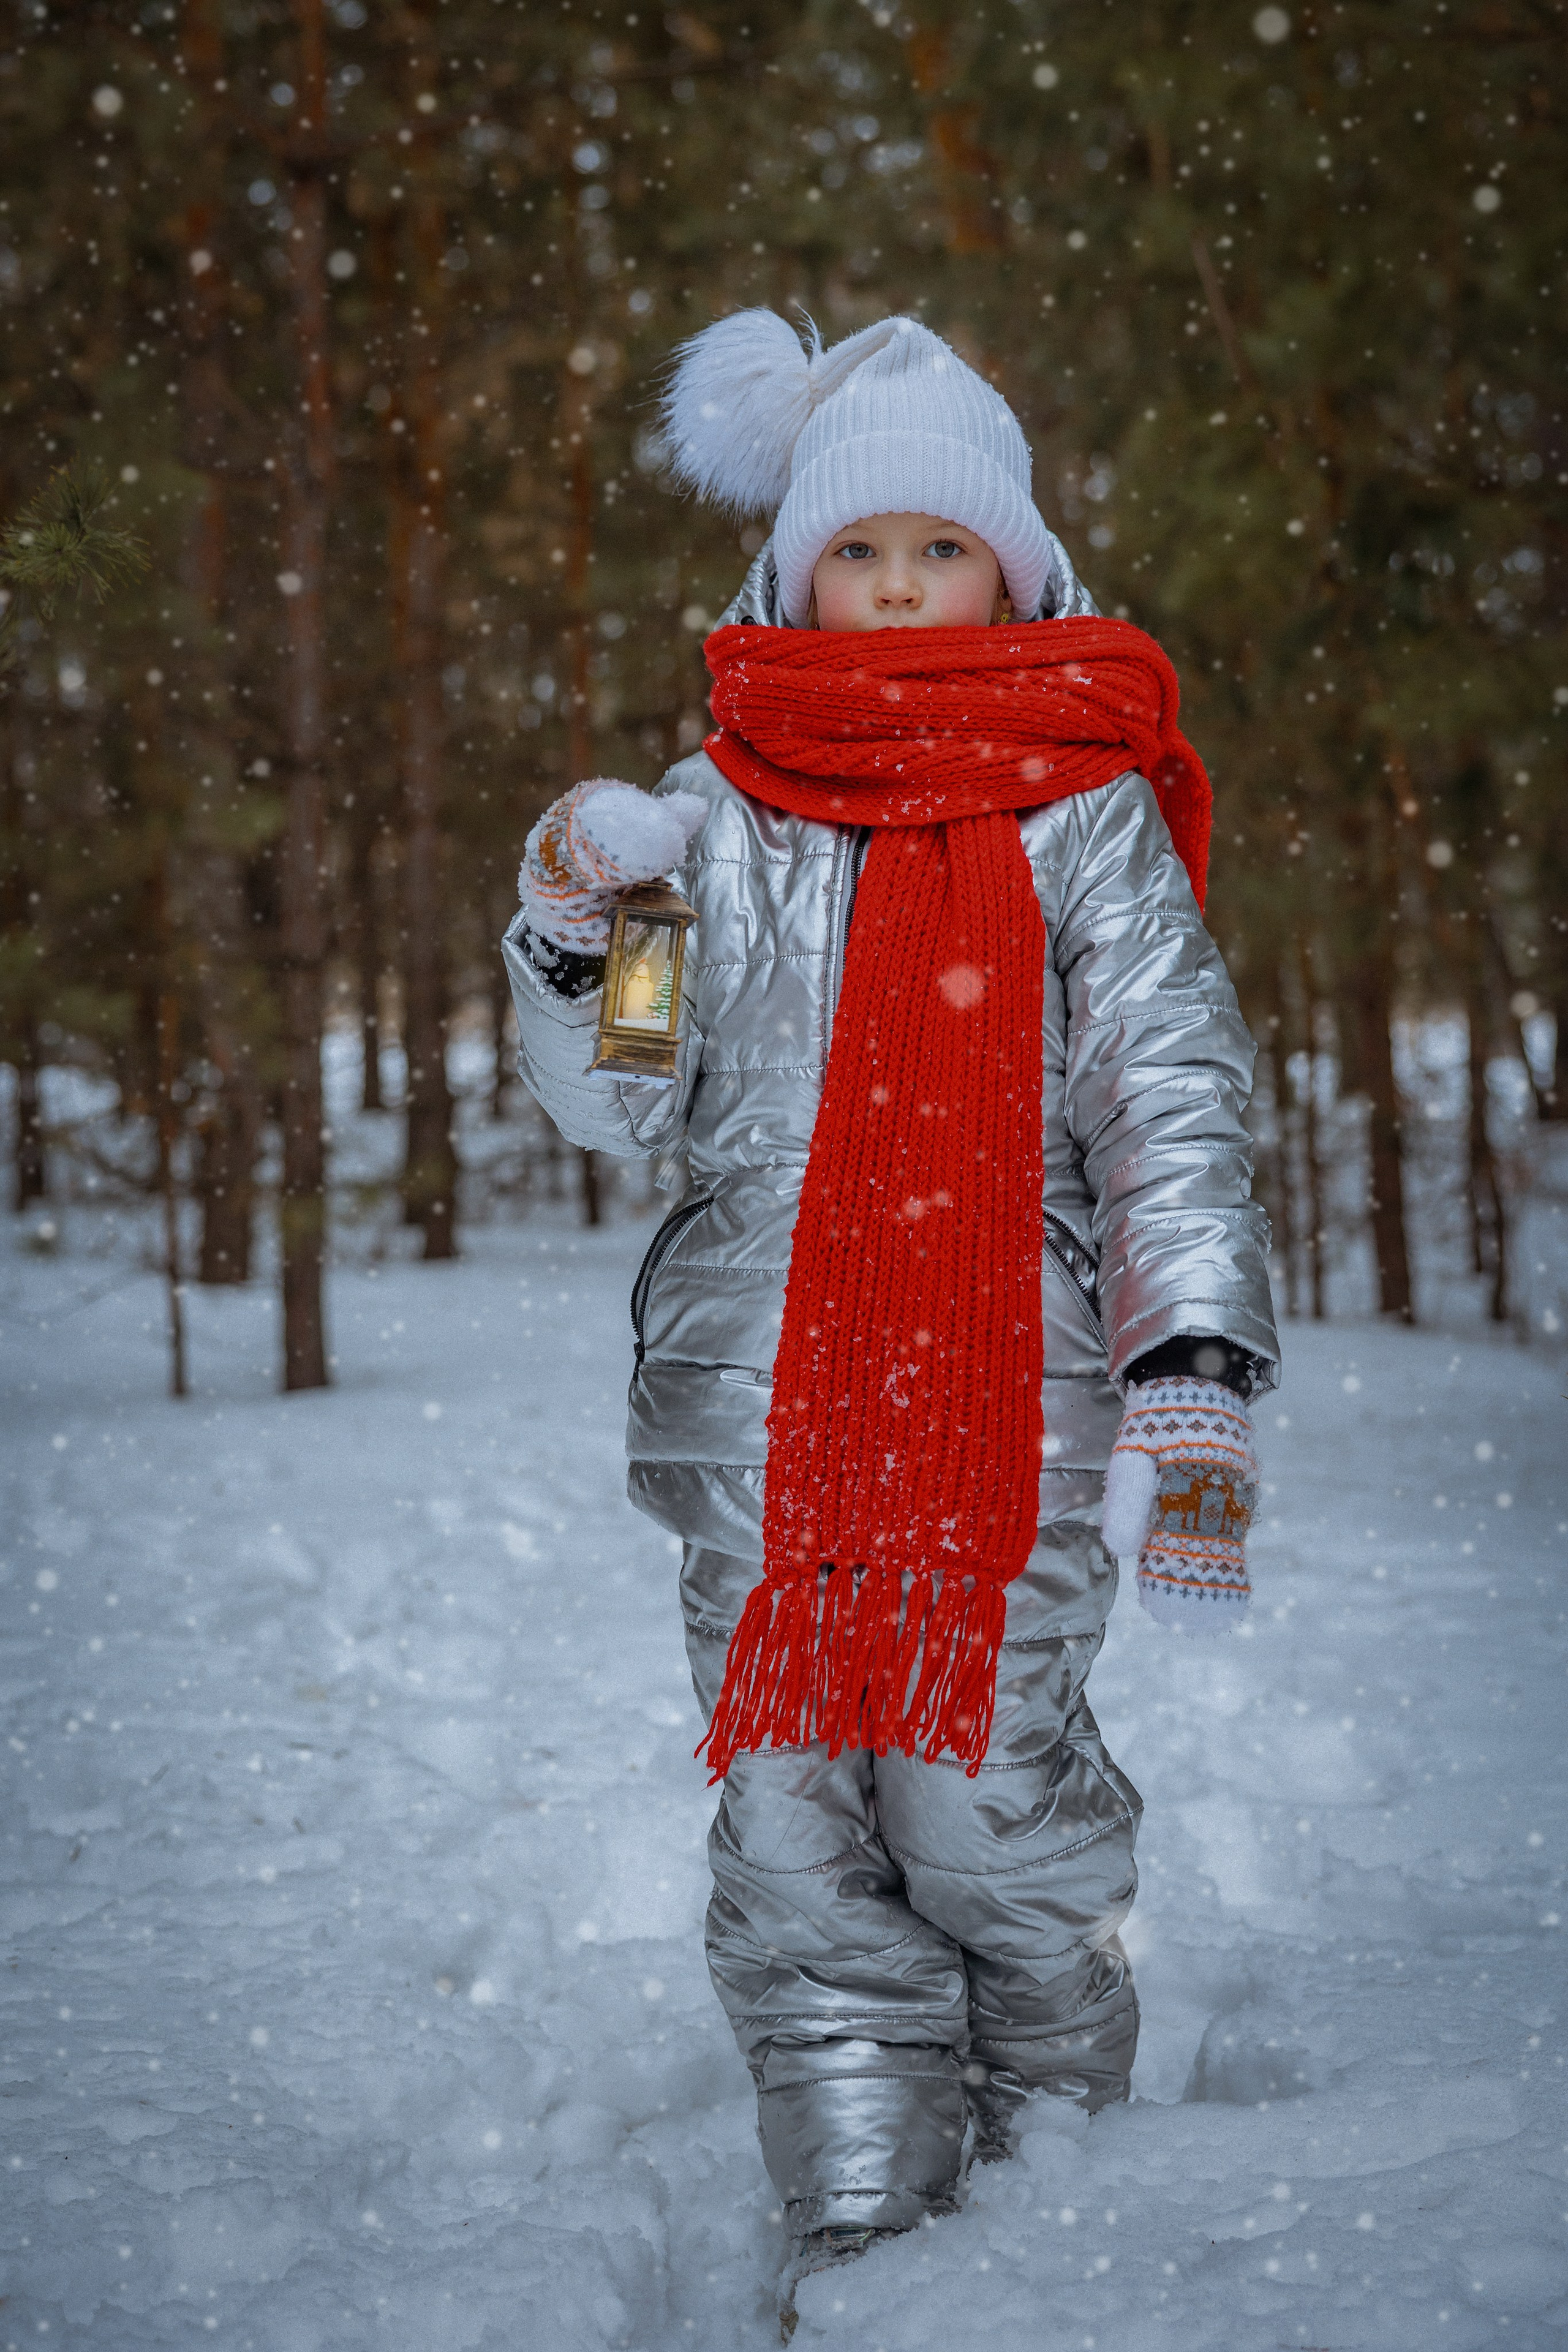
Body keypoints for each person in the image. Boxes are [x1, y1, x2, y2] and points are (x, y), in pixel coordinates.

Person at [502, 310, 1279, 2312]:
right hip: (757, 1426)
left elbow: (1167, 1091)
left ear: (1011, 570)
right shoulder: (722, 807)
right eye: (865, 552)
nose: (904, 586)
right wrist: (585, 935)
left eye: (944, 549)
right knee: (790, 1829)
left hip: (1010, 1413)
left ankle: (1054, 2174)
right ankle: (857, 2207)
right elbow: (623, 1095)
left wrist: (1190, 1351)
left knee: (989, 1803)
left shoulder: (1078, 814)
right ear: (795, 572)